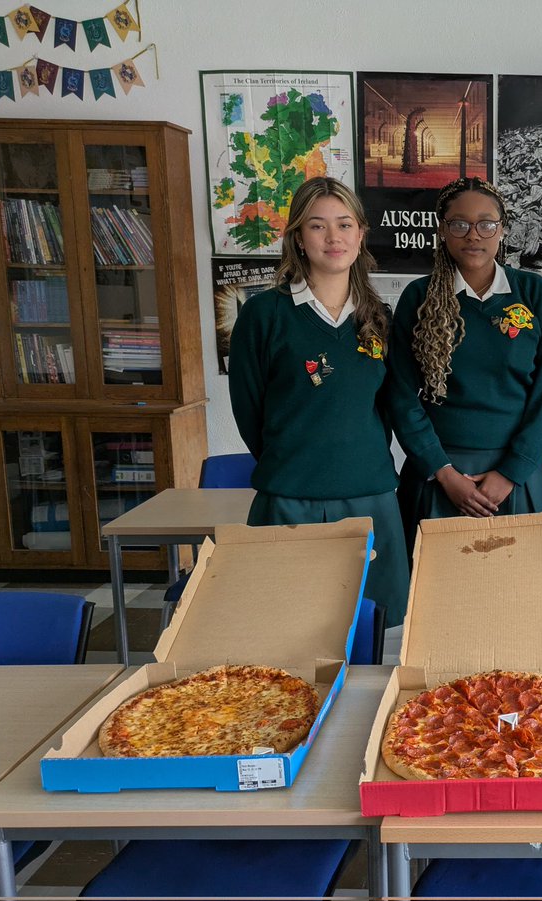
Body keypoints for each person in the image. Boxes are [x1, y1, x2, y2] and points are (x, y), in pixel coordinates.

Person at [228, 176, 409, 626]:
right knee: (285, 629)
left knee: (375, 633)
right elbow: (249, 409)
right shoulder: (263, 315)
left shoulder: (380, 318)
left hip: (369, 498)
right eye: (317, 226)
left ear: (361, 234)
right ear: (297, 238)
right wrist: (295, 459)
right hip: (288, 499)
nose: (334, 238)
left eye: (345, 224)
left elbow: (389, 408)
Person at [388, 176, 542, 551]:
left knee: (520, 597)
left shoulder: (534, 294)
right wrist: (443, 472)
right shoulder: (418, 298)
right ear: (442, 230)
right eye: (460, 224)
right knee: (438, 601)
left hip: (518, 475)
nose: (474, 235)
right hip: (440, 476)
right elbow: (401, 395)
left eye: (487, 224)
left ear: (502, 230)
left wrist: (510, 472)